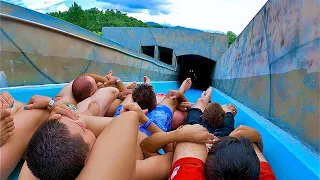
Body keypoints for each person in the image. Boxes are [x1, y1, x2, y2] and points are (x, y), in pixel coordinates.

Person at [19, 102, 214, 180]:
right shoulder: (130, 170)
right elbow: (169, 158)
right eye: (82, 130)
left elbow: (78, 121)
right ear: (87, 158)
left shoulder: (47, 161)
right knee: (172, 112)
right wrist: (177, 135)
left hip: (145, 131)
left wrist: (55, 107)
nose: (82, 124)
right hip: (152, 135)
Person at [167, 125, 276, 180]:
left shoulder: (188, 174)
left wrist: (178, 134)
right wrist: (258, 139)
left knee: (194, 131)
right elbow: (252, 148)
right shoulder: (258, 174)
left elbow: (189, 134)